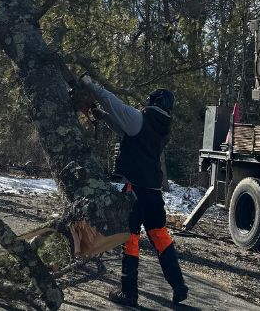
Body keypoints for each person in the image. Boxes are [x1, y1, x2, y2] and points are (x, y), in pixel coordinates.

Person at [78, 74, 188, 307]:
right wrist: (102, 117)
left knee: (130, 239)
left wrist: (90, 84)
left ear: (153, 102)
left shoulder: (140, 118)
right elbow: (126, 131)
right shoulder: (161, 128)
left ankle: (129, 294)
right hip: (154, 193)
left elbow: (113, 103)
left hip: (135, 191)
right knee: (161, 239)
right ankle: (179, 286)